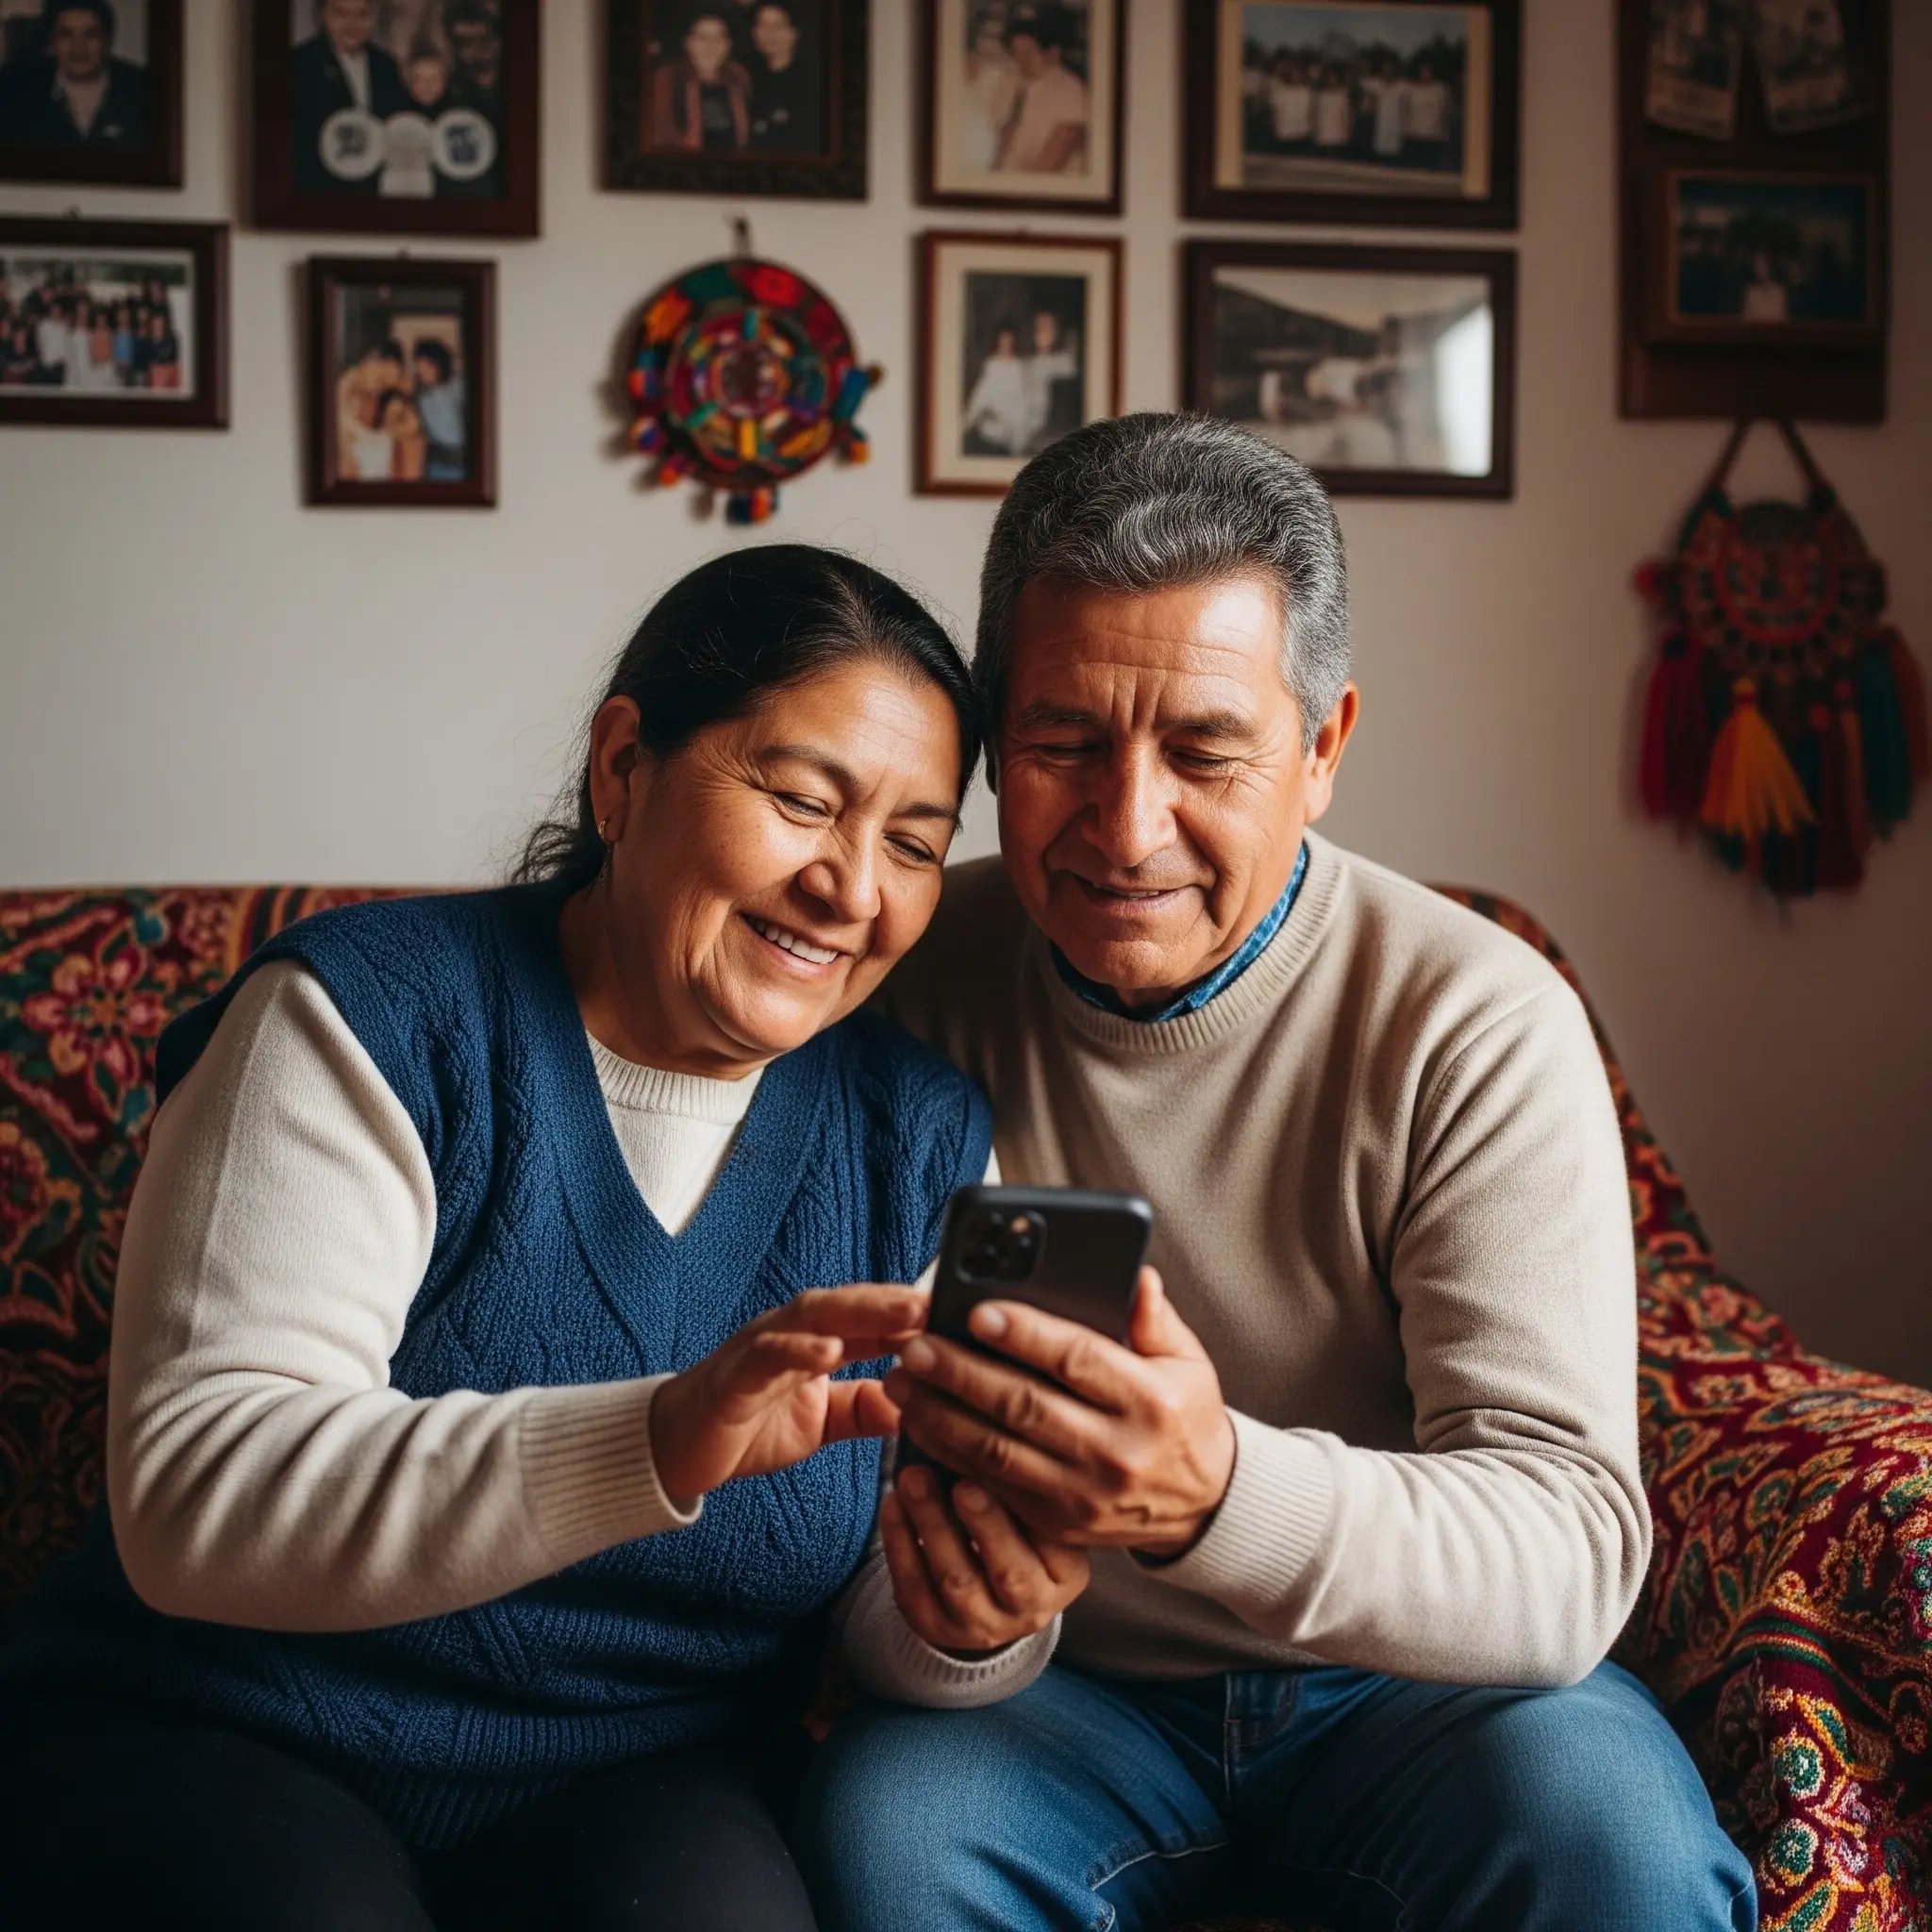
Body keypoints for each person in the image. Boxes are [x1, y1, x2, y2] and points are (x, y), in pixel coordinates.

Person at [0, 545, 1082, 1931]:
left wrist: (967, 1613)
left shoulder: (919, 1134)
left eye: (917, 845)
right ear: (623, 767)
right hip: (220, 1731)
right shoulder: (371, 1022)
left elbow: (883, 1605)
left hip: (642, 1775)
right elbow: (199, 1499)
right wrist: (656, 1436)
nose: (852, 887)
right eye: (805, 802)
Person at [794, 414, 1759, 1932]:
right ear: (988, 745)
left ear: (1322, 751)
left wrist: (1213, 1494)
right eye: (1060, 744)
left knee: (1623, 1859)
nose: (1126, 829)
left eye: (1206, 752)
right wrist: (967, 1627)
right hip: (1063, 1698)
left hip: (1423, 1691)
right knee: (890, 1850)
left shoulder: (1476, 1017)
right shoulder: (890, 974)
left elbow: (1571, 1551)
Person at [291, 0, 410, 193]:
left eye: (363, 14)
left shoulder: (385, 65)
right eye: (341, 14)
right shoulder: (301, 62)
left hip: (375, 191)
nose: (352, 24)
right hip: (320, 191)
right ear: (321, 15)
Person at [0, 0, 149, 147]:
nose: (78, 47)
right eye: (66, 35)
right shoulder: (15, 89)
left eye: (90, 35)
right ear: (53, 42)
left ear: (107, 41)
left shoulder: (143, 87)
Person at [994, 6, 1088, 175]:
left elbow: (1049, 166)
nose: (1019, 47)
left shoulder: (1070, 90)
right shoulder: (1008, 81)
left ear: (1053, 49)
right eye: (1016, 35)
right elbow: (998, 150)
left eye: (1030, 41)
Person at [651, 8, 751, 151]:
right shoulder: (666, 79)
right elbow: (661, 132)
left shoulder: (738, 77)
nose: (711, 45)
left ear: (728, 45)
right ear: (687, 43)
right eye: (702, 37)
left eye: (719, 38)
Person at [746, 1, 817, 154]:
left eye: (777, 26)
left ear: (794, 32)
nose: (769, 33)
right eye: (763, 25)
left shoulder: (811, 82)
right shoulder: (748, 79)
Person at [1019, 306, 1080, 453]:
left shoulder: (1057, 361)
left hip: (1038, 425)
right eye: (1039, 327)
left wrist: (1073, 339)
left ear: (1056, 332)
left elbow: (1070, 365)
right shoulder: (1022, 361)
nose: (1042, 331)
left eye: (1048, 327)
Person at [963, 321, 1028, 456]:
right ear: (998, 341)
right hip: (988, 420)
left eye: (1009, 341)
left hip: (1008, 421)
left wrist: (1015, 426)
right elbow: (981, 393)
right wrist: (971, 417)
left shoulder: (1017, 366)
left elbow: (1019, 399)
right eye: (1003, 340)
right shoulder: (991, 364)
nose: (1006, 344)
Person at [412, 336, 466, 480]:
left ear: (439, 364)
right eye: (419, 365)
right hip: (436, 463)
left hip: (462, 462)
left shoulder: (458, 385)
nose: (421, 371)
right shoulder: (420, 395)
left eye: (427, 365)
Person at [1404, 54, 1454, 171]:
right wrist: (1406, 131)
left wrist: (1445, 133)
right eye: (1422, 71)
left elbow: (1447, 111)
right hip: (1415, 134)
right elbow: (1407, 110)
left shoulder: (1441, 89)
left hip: (1434, 136)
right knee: (1415, 169)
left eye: (1428, 71)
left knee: (1431, 168)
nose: (1425, 74)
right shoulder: (1412, 89)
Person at [1266, 51, 1313, 154]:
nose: (1294, 75)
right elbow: (1273, 112)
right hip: (1283, 133)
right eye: (1290, 73)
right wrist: (1273, 127)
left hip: (1302, 132)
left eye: (1297, 73)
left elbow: (1311, 111)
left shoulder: (1307, 91)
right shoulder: (1278, 91)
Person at [1311, 60, 1353, 153]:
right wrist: (1314, 130)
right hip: (1322, 135)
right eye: (1329, 77)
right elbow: (1315, 113)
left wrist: (1348, 132)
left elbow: (1348, 115)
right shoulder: (1320, 95)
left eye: (1334, 77)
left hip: (1339, 135)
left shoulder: (1343, 95)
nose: (1331, 80)